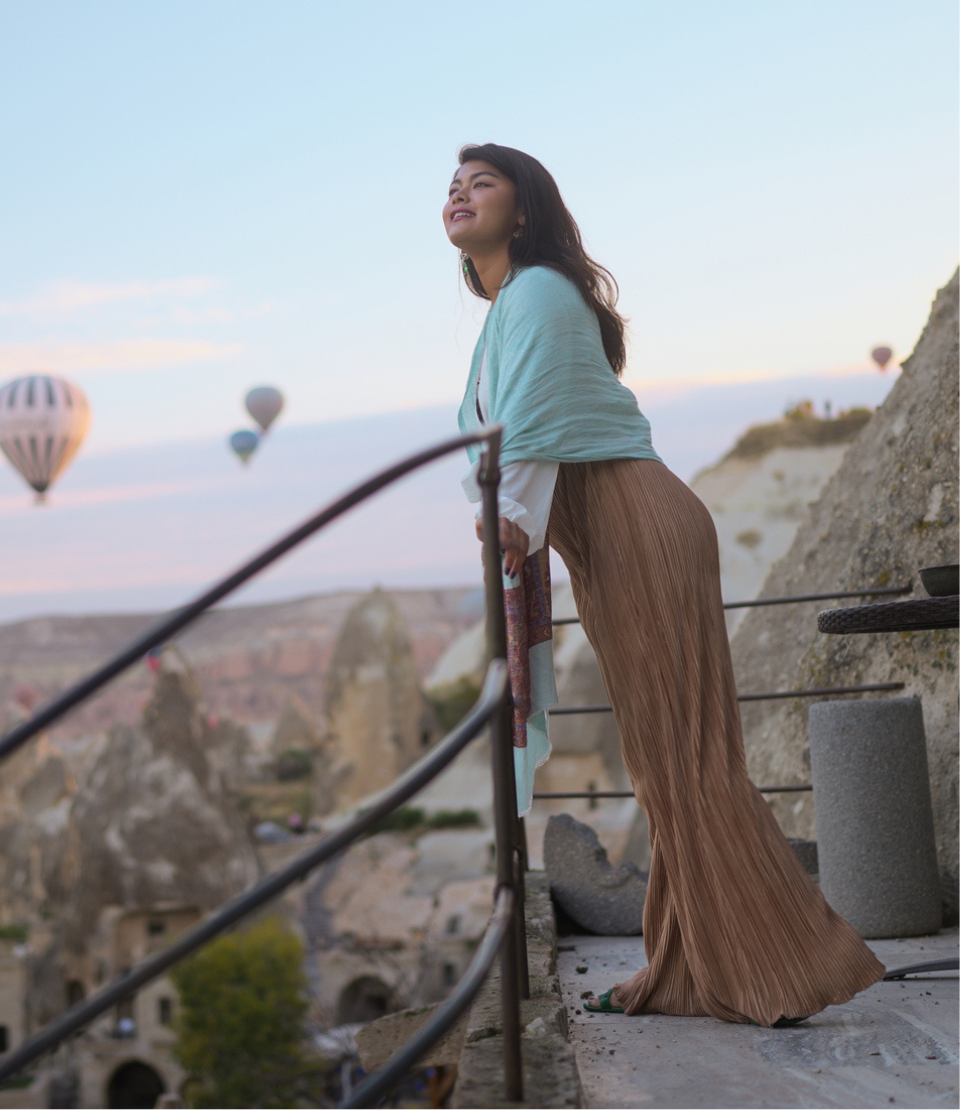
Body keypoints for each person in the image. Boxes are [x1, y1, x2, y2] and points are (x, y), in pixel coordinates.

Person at [443, 142, 885, 1027]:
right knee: (662, 765)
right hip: (615, 541)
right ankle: (689, 965)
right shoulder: (507, 309)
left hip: (639, 529)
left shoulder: (537, 291)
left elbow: (530, 420)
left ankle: (787, 966)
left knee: (688, 761)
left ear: (523, 211)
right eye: (452, 184)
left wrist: (513, 515)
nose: (459, 192)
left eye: (481, 182)